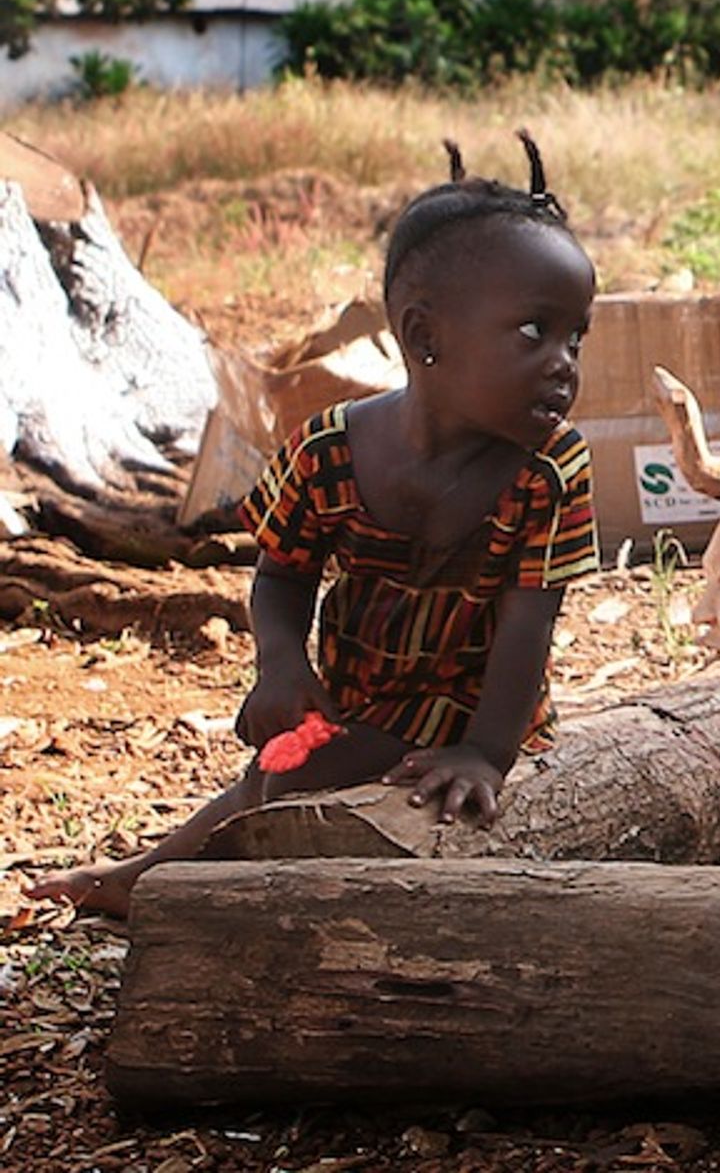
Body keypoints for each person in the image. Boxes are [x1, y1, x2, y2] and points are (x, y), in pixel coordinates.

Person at [29, 133, 599, 918]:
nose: (565, 361)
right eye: (535, 332)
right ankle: (147, 876)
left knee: (288, 781)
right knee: (272, 770)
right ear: (426, 337)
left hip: (466, 707)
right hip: (356, 686)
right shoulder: (329, 449)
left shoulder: (549, 471)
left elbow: (528, 627)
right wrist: (281, 667)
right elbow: (282, 573)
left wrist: (484, 754)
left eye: (577, 336)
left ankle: (152, 885)